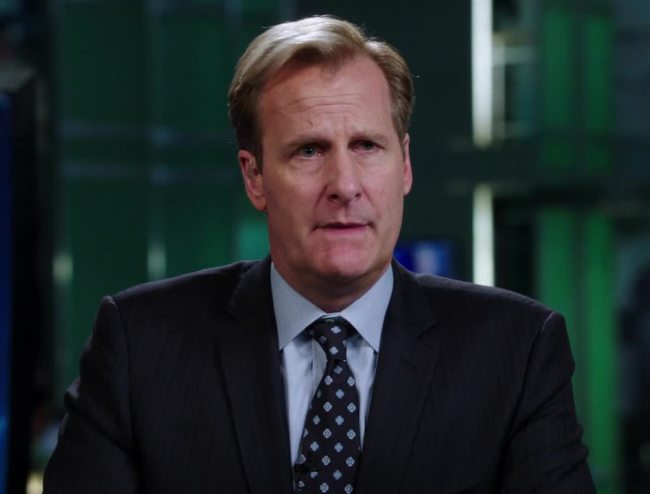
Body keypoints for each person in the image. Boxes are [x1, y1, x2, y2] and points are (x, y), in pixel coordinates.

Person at [43, 16, 595, 493]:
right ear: (254, 177)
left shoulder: (517, 350)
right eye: (309, 151)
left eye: (367, 146)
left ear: (404, 165)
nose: (345, 185)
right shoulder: (140, 345)